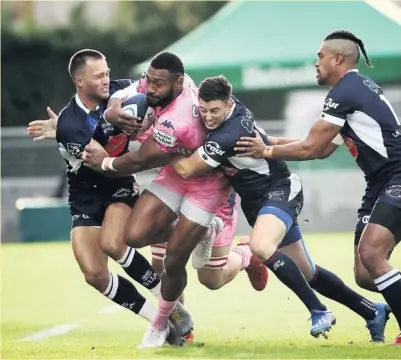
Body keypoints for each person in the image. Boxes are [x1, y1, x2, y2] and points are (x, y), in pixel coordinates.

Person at [171, 74, 391, 342]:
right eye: (203, 110)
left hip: (280, 191)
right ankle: (371, 311)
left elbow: (186, 168)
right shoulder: (229, 111)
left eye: (215, 110)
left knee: (261, 247)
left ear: (229, 104)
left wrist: (161, 139)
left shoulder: (229, 134)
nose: (208, 117)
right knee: (309, 272)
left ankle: (318, 310)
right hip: (258, 204)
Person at [81, 52, 262, 348]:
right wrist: (113, 109)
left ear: (178, 83)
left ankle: (162, 323)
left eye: (158, 84)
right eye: (149, 81)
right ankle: (195, 238)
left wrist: (104, 163)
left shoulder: (180, 119)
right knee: (136, 236)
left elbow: (140, 160)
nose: (150, 88)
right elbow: (129, 90)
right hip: (177, 174)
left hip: (208, 185)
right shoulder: (166, 83)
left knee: (203, 275)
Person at [234, 30, 401, 345]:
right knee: (365, 274)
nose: (316, 62)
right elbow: (323, 147)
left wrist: (265, 151)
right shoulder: (354, 88)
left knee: (372, 252)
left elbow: (311, 148)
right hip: (379, 184)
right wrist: (266, 142)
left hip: (396, 177)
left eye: (320, 56)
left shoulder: (346, 89)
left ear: (337, 58)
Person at [27, 49, 189, 345]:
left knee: (113, 243)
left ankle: (169, 309)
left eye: (107, 72)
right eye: (99, 76)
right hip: (85, 194)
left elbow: (159, 94)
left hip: (117, 183)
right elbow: (99, 157)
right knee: (93, 273)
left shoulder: (122, 90)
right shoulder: (71, 124)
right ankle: (159, 321)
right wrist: (58, 129)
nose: (107, 80)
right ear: (79, 81)